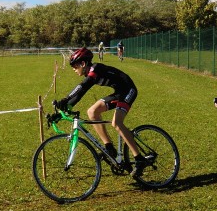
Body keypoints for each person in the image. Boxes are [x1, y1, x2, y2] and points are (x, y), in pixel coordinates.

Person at [56, 47, 150, 177]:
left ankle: (139, 159)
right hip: (119, 92)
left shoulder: (95, 69)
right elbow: (81, 93)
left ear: (83, 64)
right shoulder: (90, 72)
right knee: (92, 112)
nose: (73, 69)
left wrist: (66, 99)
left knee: (116, 123)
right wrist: (65, 107)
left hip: (129, 90)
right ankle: (109, 148)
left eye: (75, 66)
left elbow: (83, 85)